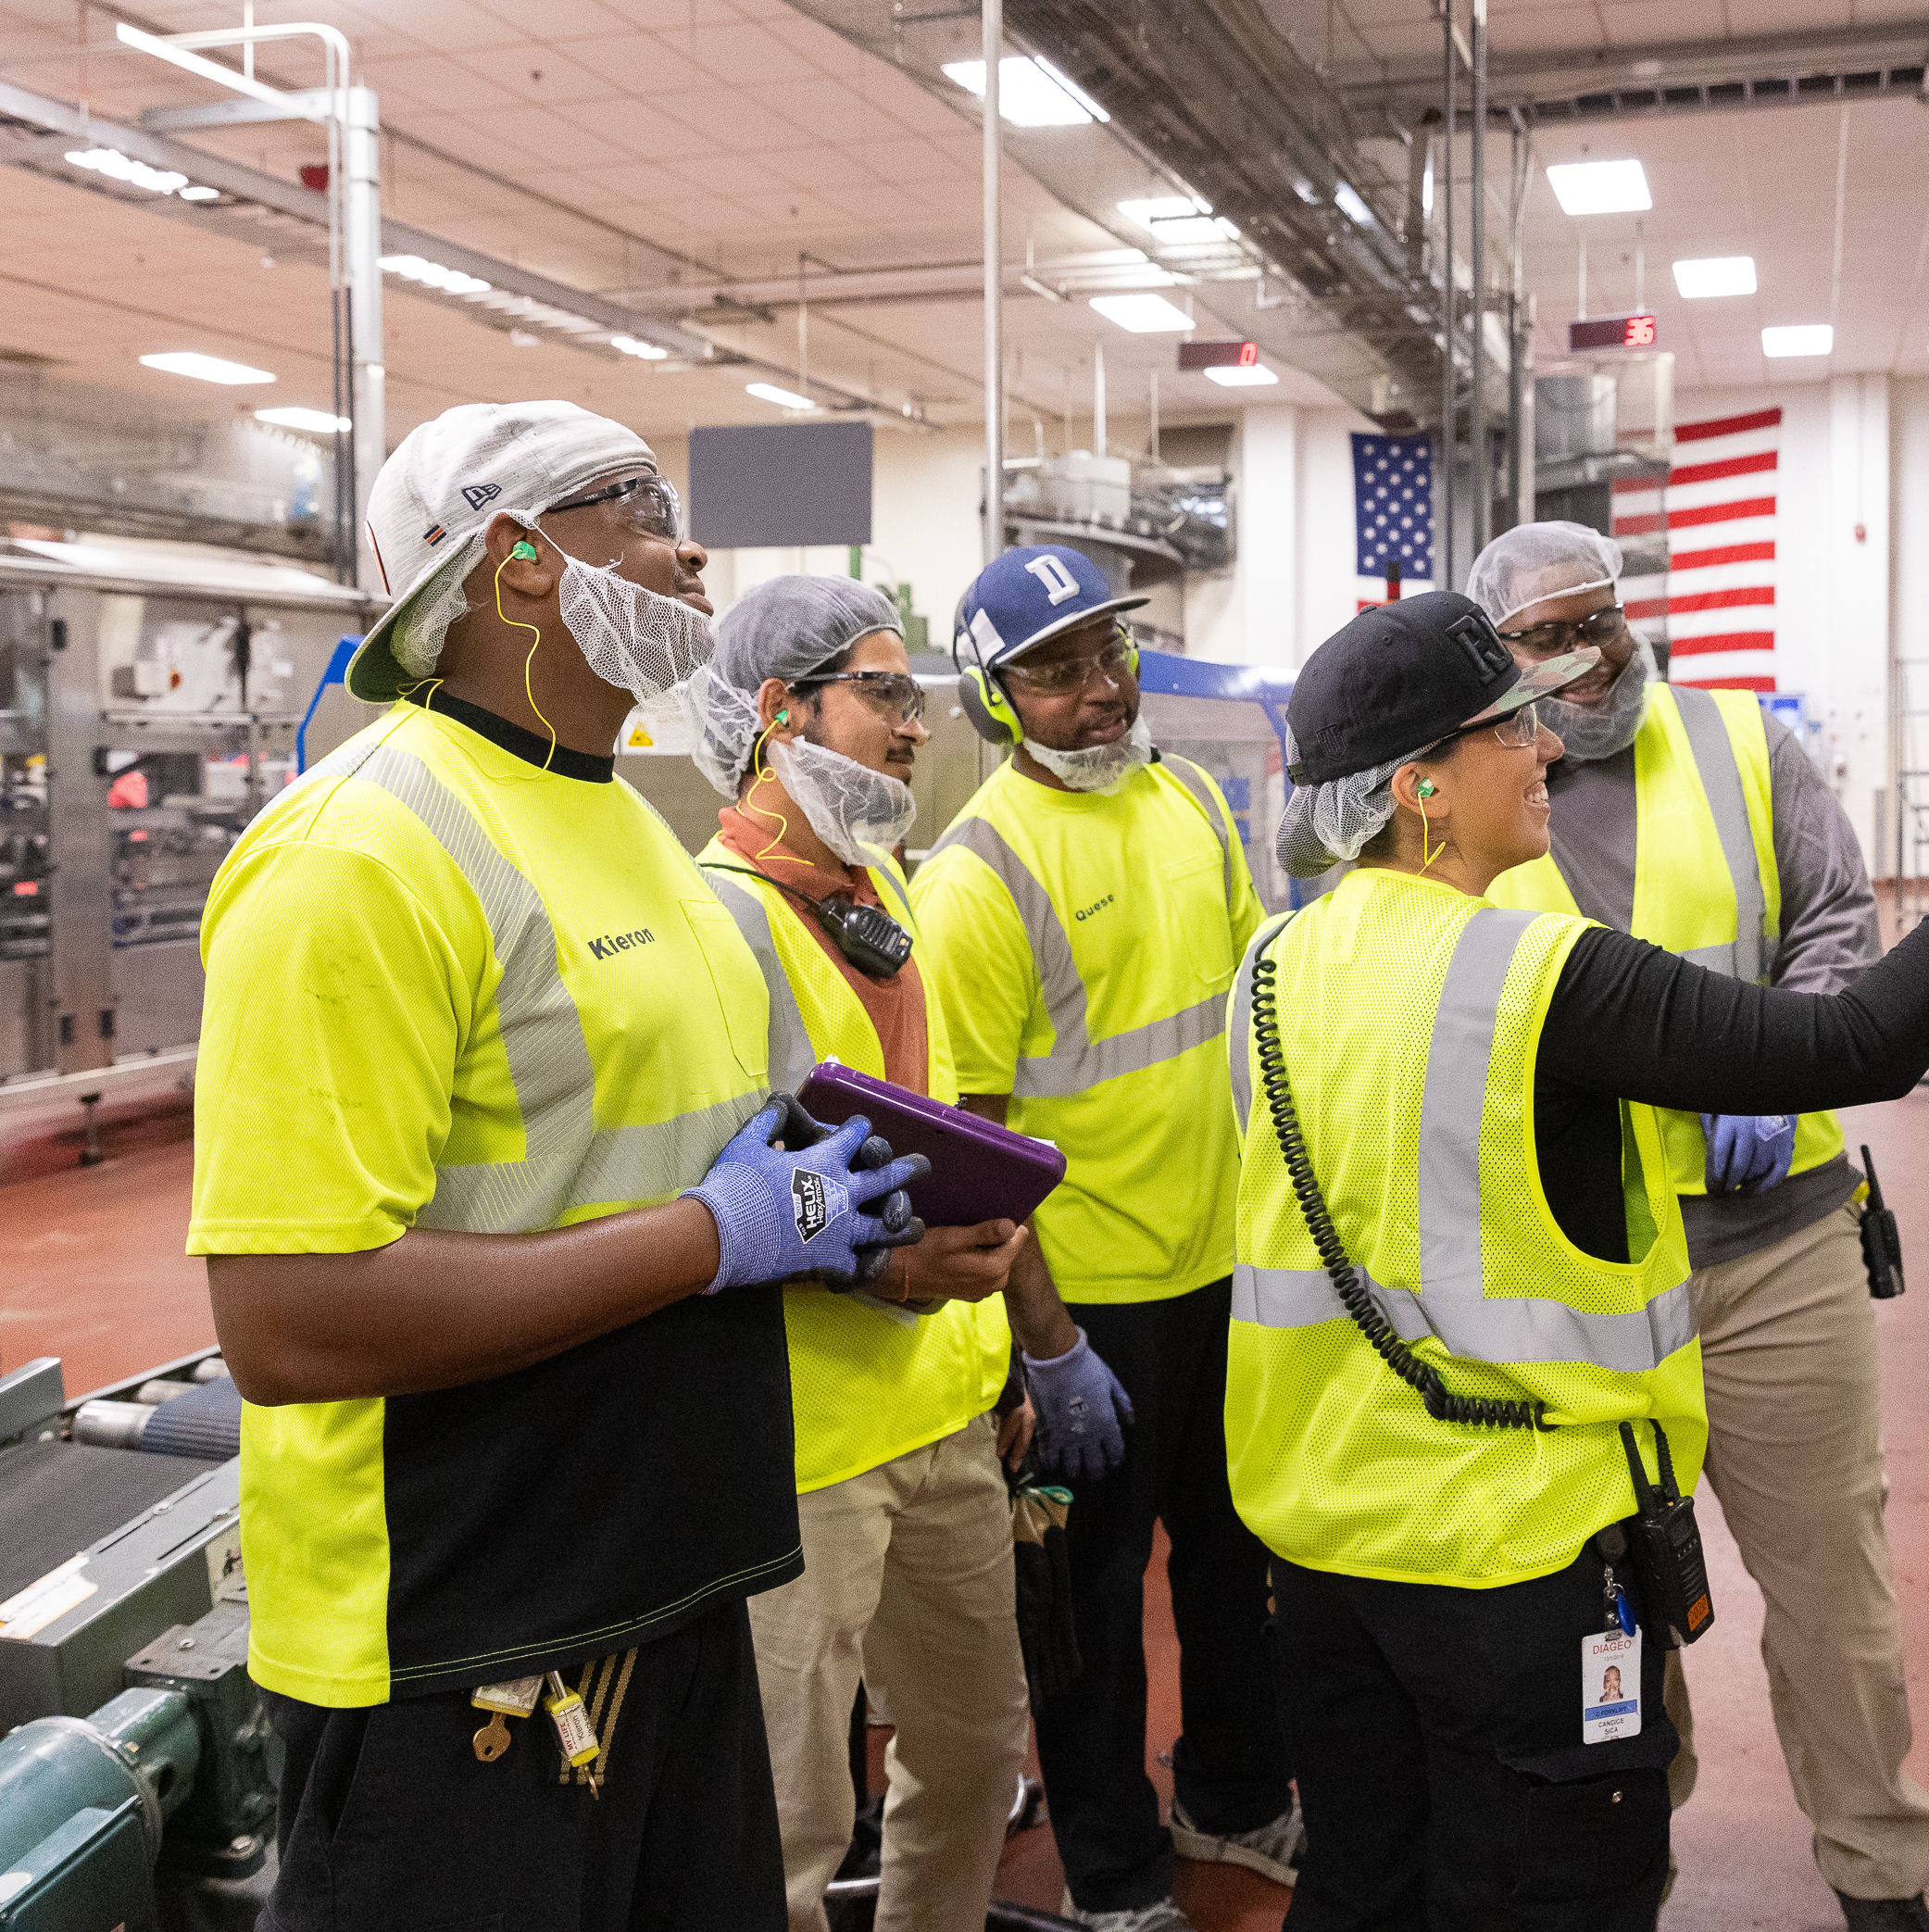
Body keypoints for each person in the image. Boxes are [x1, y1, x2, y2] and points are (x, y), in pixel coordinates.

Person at [1229, 591, 1929, 1931]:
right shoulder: (1539, 974)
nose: (1548, 748)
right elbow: (1859, 1046)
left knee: (1365, 1890)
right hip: (1509, 1567)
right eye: (1509, 727)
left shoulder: (1270, 965)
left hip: (1326, 1567)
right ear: (1418, 788)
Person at [189, 402, 923, 1932]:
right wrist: (713, 1237)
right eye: (639, 503)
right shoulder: (360, 855)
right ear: (518, 561)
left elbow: (653, 1171)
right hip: (467, 1642)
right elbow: (284, 1319)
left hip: (678, 1578)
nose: (693, 541)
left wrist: (858, 1230)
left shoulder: (639, 838)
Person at [1468, 523, 1929, 1930]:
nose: (1594, 649)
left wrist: (1780, 1051)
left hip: (1777, 1241)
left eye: (1603, 618)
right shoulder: (1482, 794)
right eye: (1553, 634)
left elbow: (1837, 920)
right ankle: (1628, 1865)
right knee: (1609, 1604)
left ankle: (1881, 1873)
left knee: (1831, 1586)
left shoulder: (1743, 740)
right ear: (1503, 663)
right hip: (1589, 1271)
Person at [912, 545, 1295, 1932]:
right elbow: (976, 1143)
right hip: (1093, 1312)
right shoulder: (978, 877)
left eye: (1110, 655)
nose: (1101, 689)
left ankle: (1240, 1797)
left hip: (1225, 1275)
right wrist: (1048, 1343)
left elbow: (1255, 1006)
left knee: (1237, 1560)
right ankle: (1120, 1873)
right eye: (1058, 669)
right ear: (994, 695)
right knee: (1085, 1612)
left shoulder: (1189, 797)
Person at [687, 575, 1064, 1932]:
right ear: (781, 711)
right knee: (790, 1811)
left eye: (917, 697)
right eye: (885, 693)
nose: (915, 726)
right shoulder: (715, 919)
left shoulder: (885, 889)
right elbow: (700, 1198)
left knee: (972, 1747)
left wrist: (1011, 1347)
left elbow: (947, 1110)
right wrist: (879, 1269)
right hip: (810, 1445)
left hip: (948, 1416)